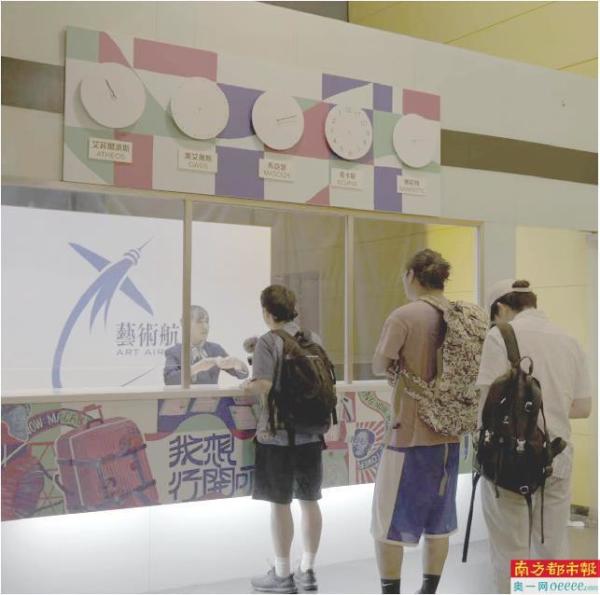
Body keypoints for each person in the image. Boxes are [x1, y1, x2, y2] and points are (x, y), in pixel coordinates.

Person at [476, 279, 592, 593]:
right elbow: (583, 407)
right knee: (553, 548)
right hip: (557, 457)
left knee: (510, 550)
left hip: (510, 460)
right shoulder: (569, 340)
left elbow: (486, 407)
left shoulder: (499, 336)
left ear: (501, 308)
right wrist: (548, 409)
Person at [371, 249, 460, 595]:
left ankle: (391, 591)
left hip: (409, 435)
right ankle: (428, 590)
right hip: (450, 435)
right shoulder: (463, 316)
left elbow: (380, 364)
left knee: (387, 524)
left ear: (412, 275)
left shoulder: (404, 316)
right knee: (440, 523)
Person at [243, 285, 326, 594]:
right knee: (310, 501)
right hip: (312, 434)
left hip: (278, 437)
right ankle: (308, 571)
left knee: (280, 504)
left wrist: (247, 385)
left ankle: (281, 575)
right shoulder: (313, 339)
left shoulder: (268, 341)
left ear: (267, 312)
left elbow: (263, 384)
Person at [163, 305, 248, 385]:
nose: (205, 326)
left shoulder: (215, 349)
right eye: (199, 321)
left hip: (212, 396)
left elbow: (242, 375)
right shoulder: (174, 352)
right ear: (184, 323)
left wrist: (237, 363)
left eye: (207, 322)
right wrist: (196, 368)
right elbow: (169, 380)